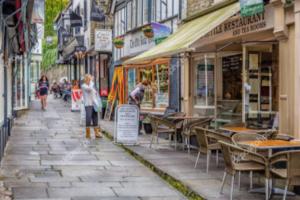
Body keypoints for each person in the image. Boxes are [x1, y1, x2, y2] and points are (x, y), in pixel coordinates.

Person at [81, 74, 102, 139]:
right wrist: (92, 82)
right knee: (88, 117)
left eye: (90, 79)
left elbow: (95, 93)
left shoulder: (92, 85)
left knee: (95, 117)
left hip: (94, 104)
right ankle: (88, 133)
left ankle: (96, 133)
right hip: (88, 104)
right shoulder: (84, 86)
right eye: (89, 79)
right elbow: (89, 89)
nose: (90, 80)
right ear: (86, 79)